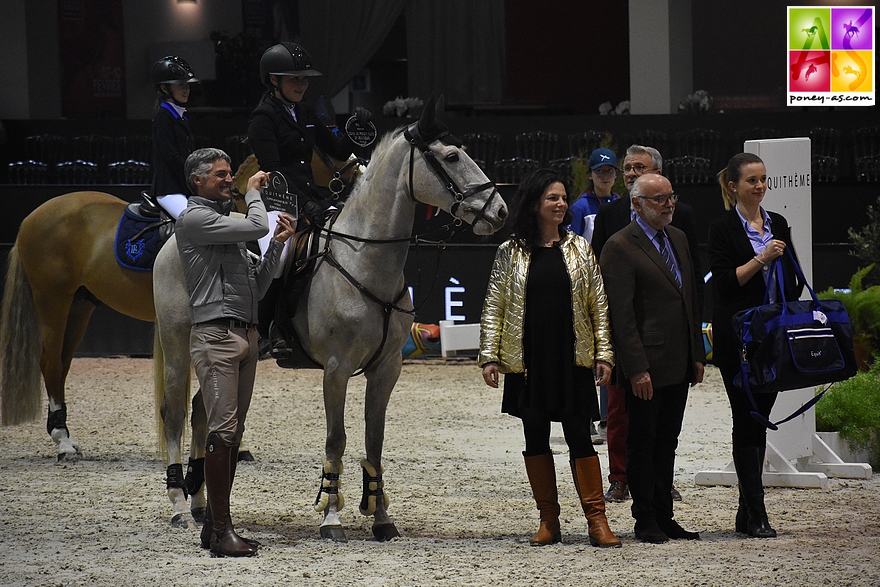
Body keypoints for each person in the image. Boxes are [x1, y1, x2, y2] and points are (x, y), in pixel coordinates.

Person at [479, 169, 621, 548]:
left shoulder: (580, 248)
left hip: (571, 357)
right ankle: (549, 520)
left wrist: (604, 353)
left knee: (580, 437)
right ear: (535, 205)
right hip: (528, 361)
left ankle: (597, 520)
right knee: (535, 436)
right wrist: (489, 355)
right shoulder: (510, 252)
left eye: (562, 198)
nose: (560, 204)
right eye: (552, 199)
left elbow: (598, 305)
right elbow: (494, 305)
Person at [175, 148, 296, 557]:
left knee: (233, 433)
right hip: (216, 338)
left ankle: (213, 530)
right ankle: (223, 531)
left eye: (231, 175)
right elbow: (256, 223)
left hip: (245, 336)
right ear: (198, 180)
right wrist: (253, 193)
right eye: (221, 175)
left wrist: (277, 246)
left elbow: (258, 289)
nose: (229, 180)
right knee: (223, 432)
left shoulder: (225, 227)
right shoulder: (195, 218)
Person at [590, 144, 702, 503]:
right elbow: (599, 283)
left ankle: (659, 484)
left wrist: (695, 347)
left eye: (640, 167)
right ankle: (621, 477)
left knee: (665, 425)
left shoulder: (679, 218)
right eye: (627, 168)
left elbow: (691, 283)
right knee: (619, 412)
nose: (631, 174)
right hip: (629, 339)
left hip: (670, 345)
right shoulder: (610, 218)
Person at [247, 42, 369, 354]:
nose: (302, 84)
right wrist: (304, 205)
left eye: (304, 79)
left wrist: (358, 129)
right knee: (279, 260)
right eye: (294, 79)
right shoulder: (263, 118)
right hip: (276, 202)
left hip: (308, 197)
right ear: (274, 80)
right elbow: (273, 172)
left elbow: (337, 149)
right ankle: (268, 331)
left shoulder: (304, 111)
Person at [707, 152, 803, 539]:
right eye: (752, 181)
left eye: (763, 179)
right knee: (745, 417)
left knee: (760, 418)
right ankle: (756, 511)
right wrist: (762, 258)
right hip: (739, 338)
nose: (760, 186)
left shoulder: (777, 222)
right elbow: (725, 282)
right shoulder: (722, 227)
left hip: (773, 336)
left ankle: (747, 510)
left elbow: (793, 276)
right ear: (733, 186)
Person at [149, 55, 198, 218]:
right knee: (192, 221)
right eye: (180, 85)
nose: (186, 90)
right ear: (165, 89)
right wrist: (195, 172)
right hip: (169, 190)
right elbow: (170, 156)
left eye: (187, 85)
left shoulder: (181, 115)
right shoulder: (164, 116)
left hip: (183, 186)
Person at [568, 147, 621, 241]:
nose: (605, 176)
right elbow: (571, 244)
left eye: (610, 170)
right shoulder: (580, 207)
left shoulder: (620, 203)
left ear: (616, 174)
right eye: (599, 171)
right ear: (590, 175)